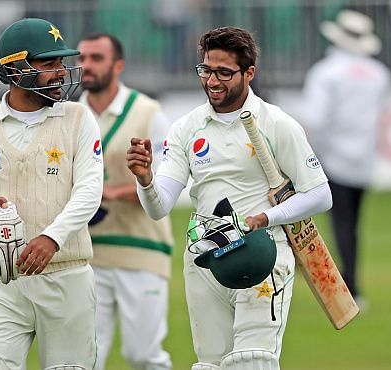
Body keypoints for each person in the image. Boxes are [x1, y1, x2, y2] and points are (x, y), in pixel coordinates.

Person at [127, 27, 333, 369]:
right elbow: (159, 207)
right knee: (211, 364)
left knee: (253, 362)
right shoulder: (186, 127)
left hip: (263, 256)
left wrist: (266, 218)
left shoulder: (276, 123)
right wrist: (145, 179)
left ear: (249, 72)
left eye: (224, 72)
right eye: (206, 70)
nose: (212, 81)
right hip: (207, 258)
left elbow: (320, 194)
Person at [0, 18, 103, 370]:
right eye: (49, 64)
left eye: (61, 63)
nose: (61, 72)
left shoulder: (79, 118)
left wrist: (52, 238)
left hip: (68, 276)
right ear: (16, 68)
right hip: (2, 278)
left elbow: (90, 190)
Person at [77, 33, 174, 370]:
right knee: (85, 357)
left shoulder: (148, 113)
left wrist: (109, 193)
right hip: (86, 256)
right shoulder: (70, 116)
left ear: (118, 65)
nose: (86, 65)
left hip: (141, 251)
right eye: (82, 57)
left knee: (143, 355)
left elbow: (164, 186)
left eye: (96, 58)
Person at [301, 9, 391, 304]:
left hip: (332, 156)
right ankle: (351, 282)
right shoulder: (379, 74)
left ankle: (346, 284)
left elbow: (314, 118)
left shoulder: (327, 72)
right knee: (352, 223)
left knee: (338, 222)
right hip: (363, 157)